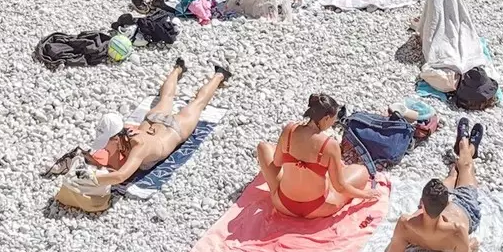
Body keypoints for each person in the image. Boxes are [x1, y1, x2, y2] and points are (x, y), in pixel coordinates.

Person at [90, 60, 233, 186]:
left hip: (173, 129)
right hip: (155, 124)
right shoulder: (125, 132)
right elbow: (115, 166)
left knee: (196, 103)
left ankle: (218, 75)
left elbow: (120, 176)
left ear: (114, 137)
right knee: (172, 98)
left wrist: (89, 179)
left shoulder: (139, 147)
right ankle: (181, 69)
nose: (105, 147)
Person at [383, 121, 486, 252]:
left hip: (440, 210)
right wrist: (467, 247)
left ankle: (465, 146)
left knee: (453, 175)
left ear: (422, 202)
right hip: (464, 208)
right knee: (466, 168)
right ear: (446, 204)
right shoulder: (457, 232)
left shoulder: (406, 224)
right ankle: (466, 145)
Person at [256, 93, 380, 217]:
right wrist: (365, 194)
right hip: (316, 209)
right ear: (326, 118)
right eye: (333, 119)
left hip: (283, 204)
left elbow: (277, 163)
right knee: (361, 171)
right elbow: (340, 187)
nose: (333, 123)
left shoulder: (289, 130)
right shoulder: (330, 145)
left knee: (263, 147)